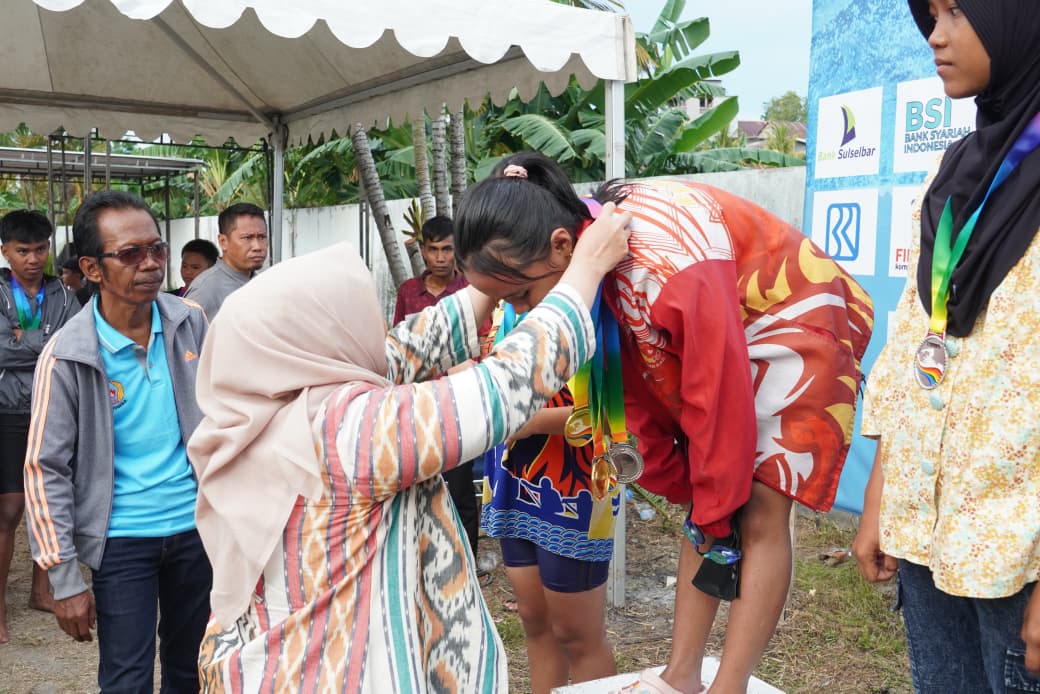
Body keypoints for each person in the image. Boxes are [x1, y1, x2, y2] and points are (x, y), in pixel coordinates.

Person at [454, 152, 873, 694]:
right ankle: (682, 674)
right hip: (722, 333)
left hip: (789, 321)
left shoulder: (665, 261)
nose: (528, 311)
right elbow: (632, 403)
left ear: (562, 245)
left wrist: (718, 502)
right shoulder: (592, 257)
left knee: (761, 506)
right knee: (709, 498)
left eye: (521, 296)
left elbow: (716, 398)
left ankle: (730, 684)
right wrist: (696, 493)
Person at [186, 203, 630, 691]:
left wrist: (491, 282)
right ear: (324, 335)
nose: (378, 329)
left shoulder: (266, 400)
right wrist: (586, 268)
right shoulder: (345, 430)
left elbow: (399, 351)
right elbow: (503, 388)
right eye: (359, 316)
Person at [852, 1, 1040, 691]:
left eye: (958, 10)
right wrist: (880, 495)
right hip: (928, 525)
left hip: (1019, 550)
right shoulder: (956, 170)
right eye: (929, 14)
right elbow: (912, 344)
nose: (936, 35)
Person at [23, 190, 212, 691]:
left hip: (198, 530)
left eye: (156, 249)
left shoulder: (190, 323)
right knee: (126, 678)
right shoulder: (69, 355)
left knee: (192, 670)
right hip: (122, 540)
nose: (149, 264)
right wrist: (64, 579)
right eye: (130, 254)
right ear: (92, 268)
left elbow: (229, 416)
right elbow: (45, 468)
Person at [481, 301, 619, 693]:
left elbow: (611, 410)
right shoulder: (507, 308)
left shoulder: (594, 313)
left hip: (575, 486)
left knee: (577, 634)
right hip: (512, 477)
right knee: (534, 621)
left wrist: (524, 423)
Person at [393, 215, 489, 580]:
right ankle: (421, 562)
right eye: (432, 249)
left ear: (456, 251)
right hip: (417, 402)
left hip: (459, 400)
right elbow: (401, 341)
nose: (439, 257)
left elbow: (481, 344)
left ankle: (466, 564)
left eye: (446, 249)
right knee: (417, 483)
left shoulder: (471, 291)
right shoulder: (408, 292)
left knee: (461, 485)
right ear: (422, 250)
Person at [0, 210, 79, 643]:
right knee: (9, 510)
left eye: (40, 249)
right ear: (5, 251)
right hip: (7, 411)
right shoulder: (0, 290)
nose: (33, 258)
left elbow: (71, 347)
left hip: (53, 410)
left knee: (48, 502)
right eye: (23, 251)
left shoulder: (64, 295)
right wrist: (43, 343)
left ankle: (41, 591)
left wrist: (18, 338)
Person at [185, 202, 267, 319]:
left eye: (262, 237)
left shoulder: (261, 281)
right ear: (223, 241)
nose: (257, 246)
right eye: (247, 238)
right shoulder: (206, 290)